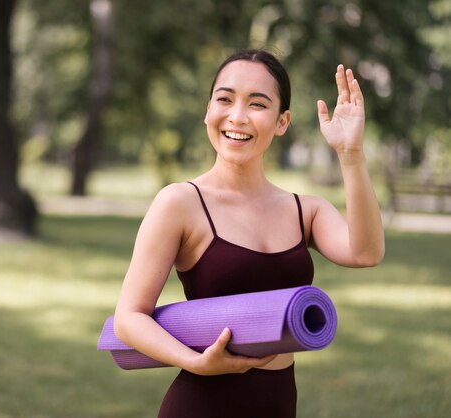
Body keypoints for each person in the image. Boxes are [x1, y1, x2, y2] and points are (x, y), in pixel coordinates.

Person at [112, 49, 385, 417]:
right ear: (208, 110)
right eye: (224, 99)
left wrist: (351, 153)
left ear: (282, 122)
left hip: (278, 404)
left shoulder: (305, 210)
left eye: (257, 104)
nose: (237, 116)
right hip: (200, 404)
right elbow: (128, 318)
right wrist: (194, 361)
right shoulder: (180, 203)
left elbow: (366, 253)